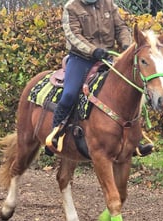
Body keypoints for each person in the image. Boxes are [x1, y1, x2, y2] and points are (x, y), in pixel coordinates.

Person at [45, 0, 153, 156]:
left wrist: (126, 45)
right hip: (81, 59)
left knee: (130, 91)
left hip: (107, 58)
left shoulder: (109, 4)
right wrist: (93, 50)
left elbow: (121, 27)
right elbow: (73, 35)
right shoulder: (72, 7)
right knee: (69, 94)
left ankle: (135, 140)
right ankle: (56, 132)